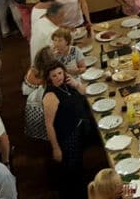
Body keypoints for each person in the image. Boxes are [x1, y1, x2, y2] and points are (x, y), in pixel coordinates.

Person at [41, 61, 92, 198]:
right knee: (71, 169)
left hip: (78, 130)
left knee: (79, 164)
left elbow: (85, 93)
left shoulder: (67, 85)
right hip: (67, 137)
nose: (58, 77)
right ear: (49, 78)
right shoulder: (50, 96)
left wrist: (75, 84)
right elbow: (49, 125)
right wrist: (56, 148)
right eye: (54, 75)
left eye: (60, 73)